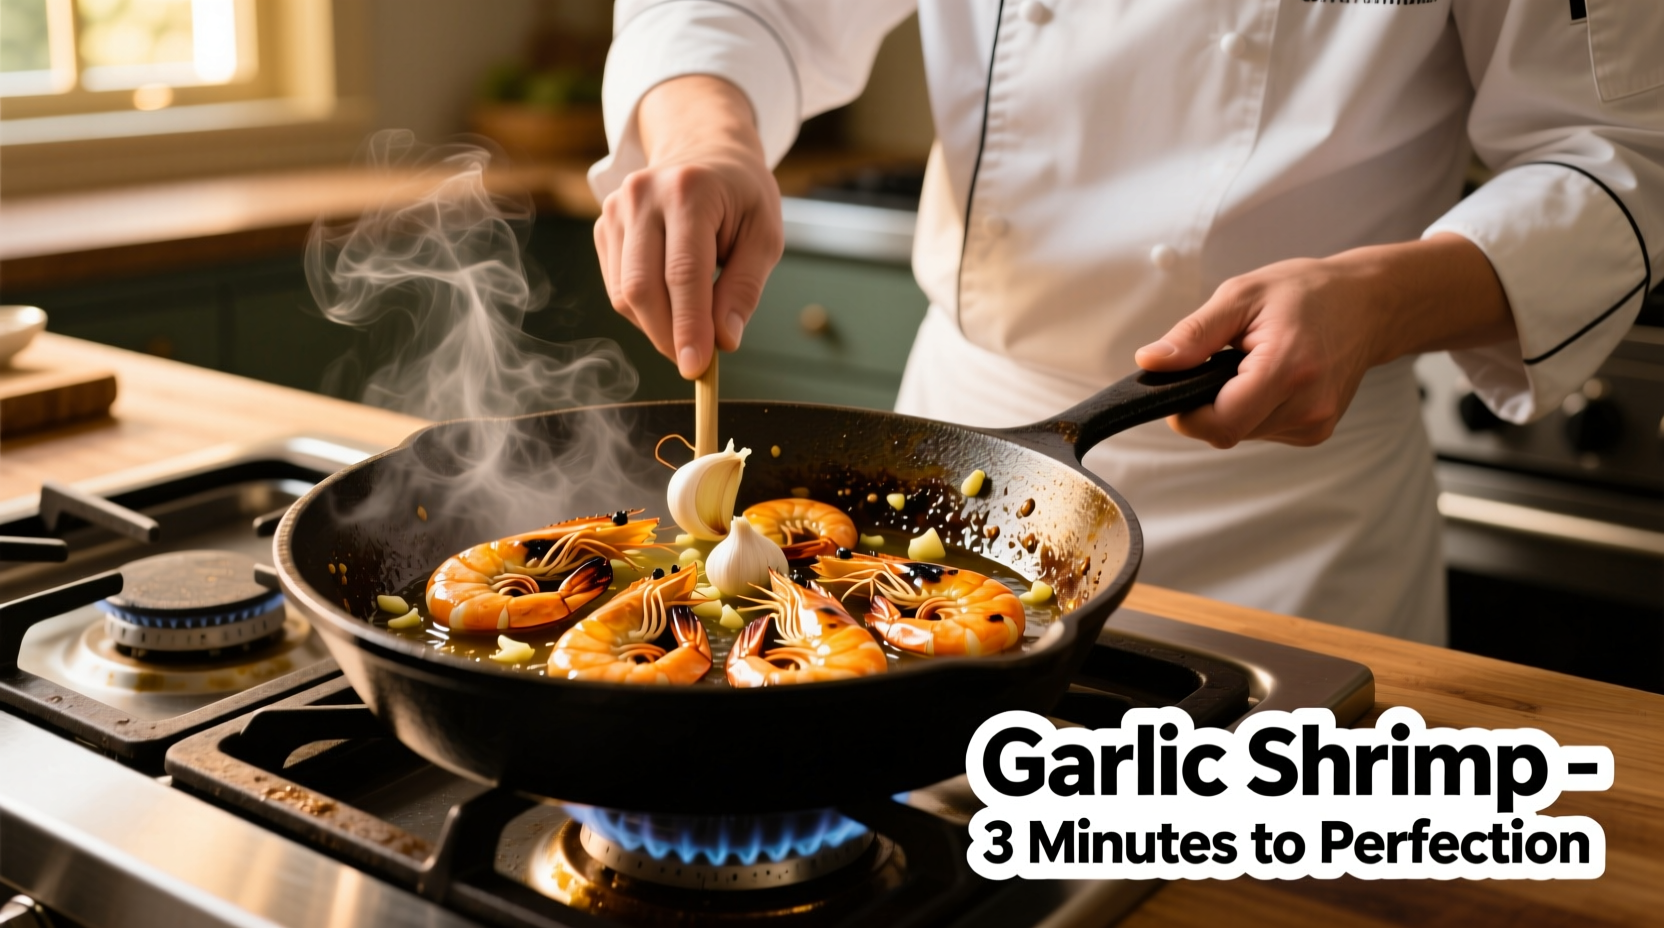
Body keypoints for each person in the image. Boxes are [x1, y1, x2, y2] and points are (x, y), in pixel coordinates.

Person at [586, 2, 1664, 644]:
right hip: (964, 457)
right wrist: (705, 137)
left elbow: (1615, 152)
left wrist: (1376, 299)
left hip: (1294, 517)